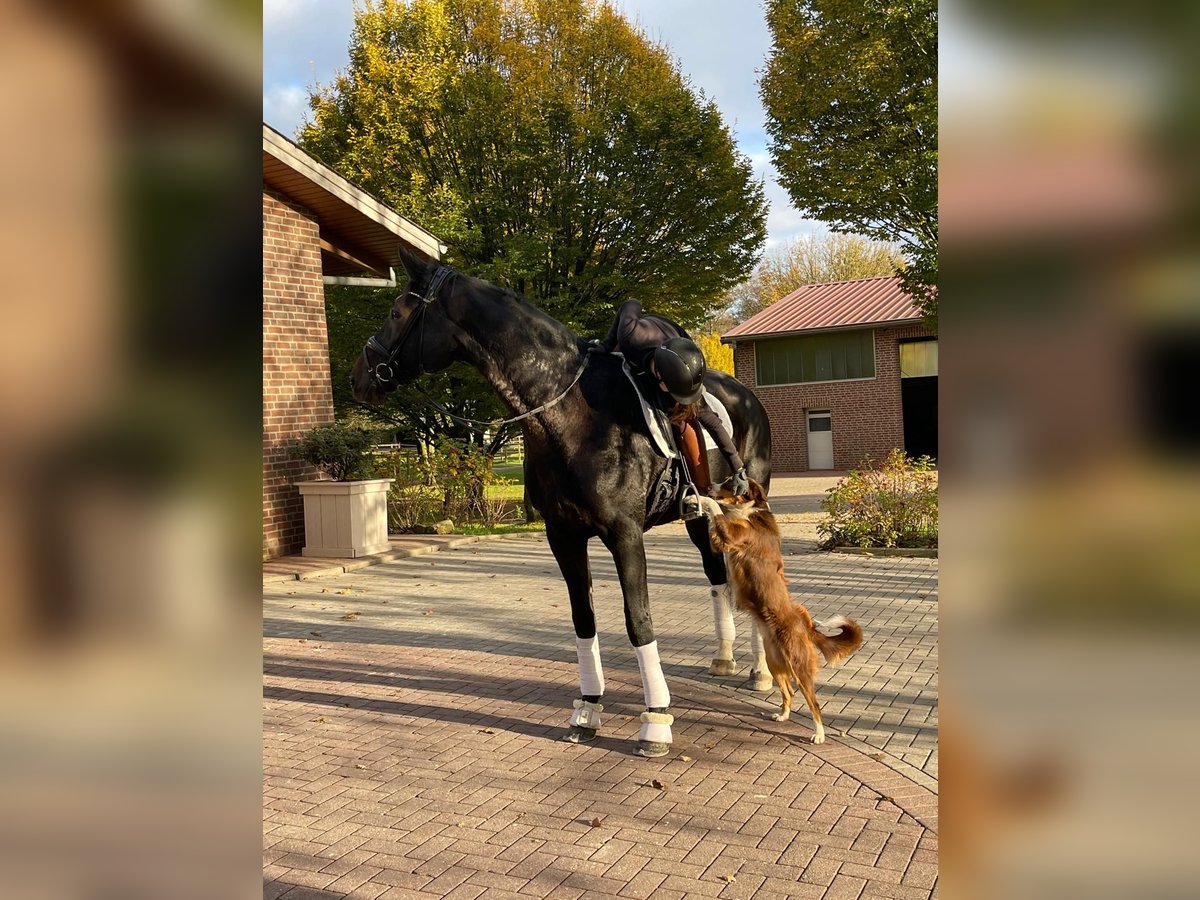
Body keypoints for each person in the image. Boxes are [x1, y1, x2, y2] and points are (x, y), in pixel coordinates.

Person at [600, 299, 750, 503]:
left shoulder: (684, 362)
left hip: (676, 341)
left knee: (684, 417)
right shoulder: (630, 336)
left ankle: (701, 490)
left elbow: (713, 422)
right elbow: (631, 303)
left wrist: (738, 467)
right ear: (660, 378)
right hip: (642, 347)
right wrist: (607, 345)